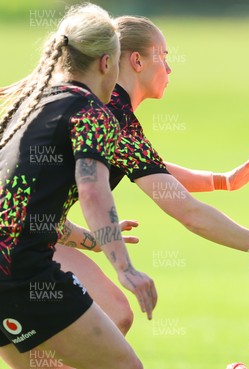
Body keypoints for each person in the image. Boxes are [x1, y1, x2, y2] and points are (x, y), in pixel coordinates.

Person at [48, 13, 249, 347]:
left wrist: (221, 181)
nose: (170, 69)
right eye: (164, 57)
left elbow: (153, 168)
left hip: (30, 232)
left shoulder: (108, 110)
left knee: (110, 318)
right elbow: (189, 213)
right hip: (19, 240)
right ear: (136, 61)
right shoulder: (112, 114)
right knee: (115, 316)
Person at [0, 4, 155, 369]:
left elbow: (20, 205)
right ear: (106, 63)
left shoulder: (30, 104)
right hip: (21, 274)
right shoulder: (90, 112)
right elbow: (93, 190)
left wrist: (91, 239)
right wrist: (125, 268)